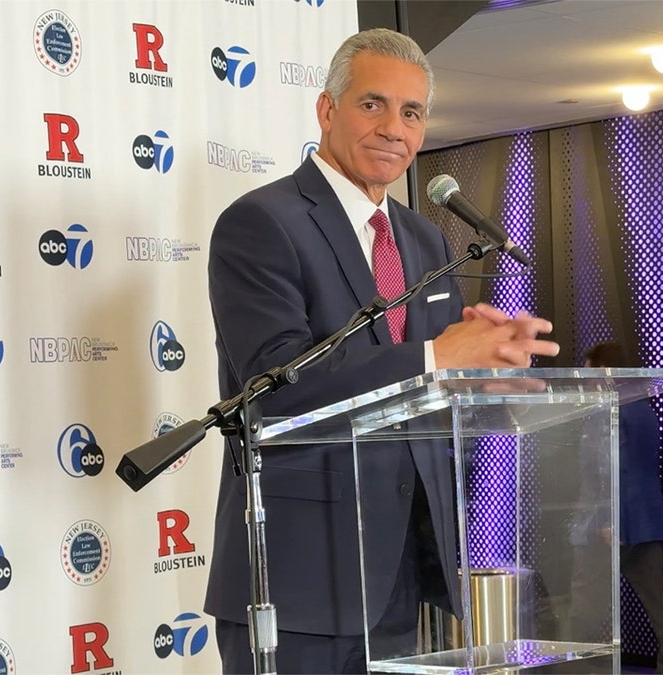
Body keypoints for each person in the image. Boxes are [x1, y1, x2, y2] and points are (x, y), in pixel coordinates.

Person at [204, 27, 560, 675]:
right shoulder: (262, 223)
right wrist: (436, 356)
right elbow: (272, 392)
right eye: (373, 104)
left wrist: (484, 379)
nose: (394, 127)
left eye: (412, 112)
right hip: (298, 580)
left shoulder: (425, 241)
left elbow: (432, 389)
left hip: (403, 574)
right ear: (327, 110)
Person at [582, 342, 663, 674]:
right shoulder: (643, 407)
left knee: (581, 614)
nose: (585, 376)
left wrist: (606, 520)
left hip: (615, 526)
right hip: (646, 522)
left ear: (606, 370)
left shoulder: (609, 411)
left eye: (590, 368)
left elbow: (611, 470)